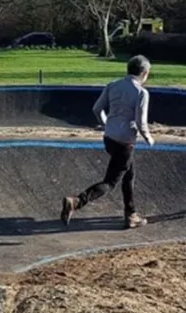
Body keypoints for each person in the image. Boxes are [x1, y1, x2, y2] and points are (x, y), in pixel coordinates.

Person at [61, 55, 154, 230]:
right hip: (125, 141)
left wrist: (106, 123)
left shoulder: (112, 85)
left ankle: (131, 214)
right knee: (110, 182)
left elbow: (97, 108)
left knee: (129, 174)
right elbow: (141, 122)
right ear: (144, 73)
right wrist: (148, 138)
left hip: (109, 137)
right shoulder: (141, 93)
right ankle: (77, 201)